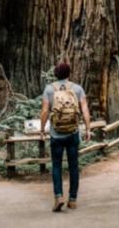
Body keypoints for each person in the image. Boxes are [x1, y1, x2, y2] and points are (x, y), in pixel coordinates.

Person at [40, 62, 91, 212]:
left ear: (55, 74)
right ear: (69, 73)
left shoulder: (49, 89)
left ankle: (58, 197)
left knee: (56, 165)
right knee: (73, 166)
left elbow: (45, 111)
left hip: (56, 134)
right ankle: (73, 200)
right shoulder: (77, 89)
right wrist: (88, 128)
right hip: (72, 133)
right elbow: (85, 109)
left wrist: (42, 129)